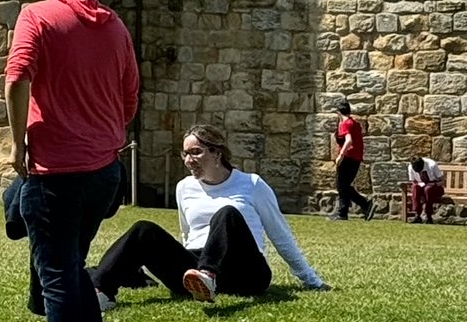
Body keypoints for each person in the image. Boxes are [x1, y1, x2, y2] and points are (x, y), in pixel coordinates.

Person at [5, 0, 138, 322]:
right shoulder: (116, 26)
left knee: (57, 277)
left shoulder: (37, 16)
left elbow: (17, 77)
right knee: (72, 268)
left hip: (56, 172)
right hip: (103, 171)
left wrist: (18, 142)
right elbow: (129, 100)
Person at [94, 126, 329, 305]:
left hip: (244, 272)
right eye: (184, 154)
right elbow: (188, 234)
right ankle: (100, 292)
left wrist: (311, 280)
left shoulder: (251, 184)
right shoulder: (184, 187)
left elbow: (281, 236)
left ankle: (207, 275)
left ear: (217, 153)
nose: (188, 160)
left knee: (226, 214)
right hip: (195, 266)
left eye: (196, 152)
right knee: (143, 229)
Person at [330, 99, 373, 220]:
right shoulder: (354, 123)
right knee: (344, 185)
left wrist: (341, 155)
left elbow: (349, 140)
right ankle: (344, 211)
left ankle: (363, 204)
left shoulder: (346, 124)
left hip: (349, 157)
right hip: (356, 158)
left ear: (338, 112)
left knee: (341, 185)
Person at [405, 155, 447, 223]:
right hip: (421, 186)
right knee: (415, 188)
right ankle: (417, 215)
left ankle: (429, 216)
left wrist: (434, 184)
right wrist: (417, 184)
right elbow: (413, 181)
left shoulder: (432, 165)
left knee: (428, 189)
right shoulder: (410, 167)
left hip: (435, 187)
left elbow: (442, 181)